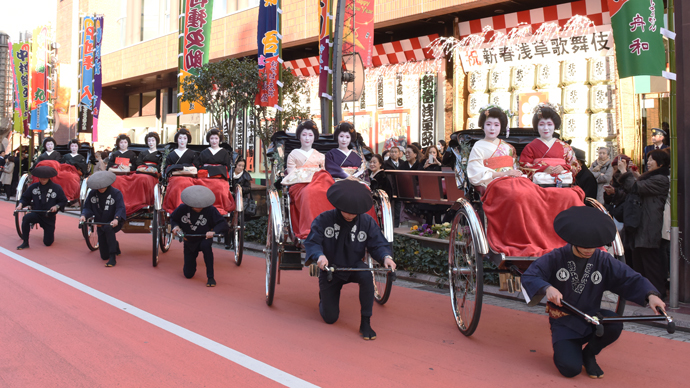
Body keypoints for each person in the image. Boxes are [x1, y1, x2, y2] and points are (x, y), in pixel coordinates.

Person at [522, 206, 664, 379]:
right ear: (573, 239)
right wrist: (547, 288)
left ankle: (589, 354)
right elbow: (531, 275)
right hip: (564, 322)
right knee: (570, 369)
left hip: (592, 318)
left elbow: (628, 277)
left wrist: (651, 295)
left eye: (594, 246)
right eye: (585, 246)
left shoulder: (603, 259)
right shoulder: (556, 257)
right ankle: (569, 351)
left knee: (614, 323)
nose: (590, 250)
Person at [466, 106, 585, 257]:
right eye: (488, 124)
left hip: (515, 179)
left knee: (535, 194)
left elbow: (516, 167)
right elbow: (475, 170)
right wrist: (501, 174)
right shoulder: (478, 146)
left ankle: (540, 237)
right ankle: (519, 238)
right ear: (483, 126)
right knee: (518, 195)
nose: (492, 128)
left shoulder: (507, 147)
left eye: (496, 125)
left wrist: (515, 173)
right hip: (494, 182)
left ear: (501, 127)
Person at [304, 179, 396, 340]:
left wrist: (385, 257)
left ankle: (366, 321)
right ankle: (323, 299)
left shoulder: (366, 222)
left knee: (367, 275)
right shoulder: (324, 219)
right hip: (330, 268)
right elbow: (313, 242)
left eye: (354, 212)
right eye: (347, 211)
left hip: (354, 265)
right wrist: (319, 256)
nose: (350, 215)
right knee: (330, 318)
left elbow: (377, 243)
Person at [618, 149, 670, 296]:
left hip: (649, 225)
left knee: (650, 263)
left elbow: (635, 188)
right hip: (639, 225)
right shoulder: (650, 177)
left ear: (660, 163)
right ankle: (644, 294)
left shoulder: (661, 179)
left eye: (651, 159)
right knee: (638, 261)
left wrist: (624, 172)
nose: (648, 163)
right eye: (648, 160)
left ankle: (656, 294)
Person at [171, 185, 229, 287]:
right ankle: (191, 266)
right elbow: (173, 219)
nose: (198, 207)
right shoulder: (182, 208)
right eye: (195, 205)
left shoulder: (210, 210)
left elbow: (222, 223)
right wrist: (175, 227)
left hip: (204, 238)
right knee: (188, 274)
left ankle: (210, 277)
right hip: (189, 239)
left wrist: (213, 232)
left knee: (206, 247)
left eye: (200, 205)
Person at [283, 120, 331, 240]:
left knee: (328, 192)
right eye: (304, 135)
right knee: (308, 193)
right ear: (299, 136)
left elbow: (324, 172)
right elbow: (291, 174)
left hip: (318, 183)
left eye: (310, 135)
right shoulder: (293, 154)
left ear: (314, 137)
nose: (307, 138)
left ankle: (328, 227)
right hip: (299, 185)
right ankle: (310, 228)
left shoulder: (320, 156)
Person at [519, 104, 578, 184]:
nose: (546, 128)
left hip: (562, 184)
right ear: (537, 126)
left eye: (549, 124)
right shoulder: (530, 147)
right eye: (541, 124)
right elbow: (523, 167)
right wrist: (543, 169)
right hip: (537, 186)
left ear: (555, 126)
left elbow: (575, 166)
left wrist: (563, 168)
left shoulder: (566, 147)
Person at [80, 171, 126, 267]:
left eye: (103, 186)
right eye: (98, 186)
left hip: (113, 222)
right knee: (104, 256)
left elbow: (120, 208)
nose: (100, 188)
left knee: (108, 229)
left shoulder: (116, 193)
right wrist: (84, 215)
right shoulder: (93, 193)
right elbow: (87, 208)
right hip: (100, 222)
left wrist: (116, 219)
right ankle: (115, 245)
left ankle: (113, 257)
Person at [15, 166, 68, 250]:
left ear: (49, 178)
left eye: (45, 178)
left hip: (49, 216)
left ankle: (48, 234)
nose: (42, 180)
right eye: (41, 178)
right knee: (26, 218)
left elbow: (63, 201)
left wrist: (57, 206)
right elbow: (25, 198)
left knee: (48, 243)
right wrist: (20, 204)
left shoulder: (56, 188)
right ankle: (25, 242)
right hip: (36, 213)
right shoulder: (33, 187)